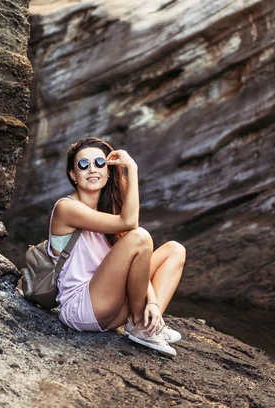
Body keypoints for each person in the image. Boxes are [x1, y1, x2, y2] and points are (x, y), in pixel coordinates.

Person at [48, 136, 186, 357]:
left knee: (175, 250)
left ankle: (144, 324)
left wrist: (153, 302)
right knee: (139, 237)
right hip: (81, 308)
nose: (92, 169)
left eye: (100, 163)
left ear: (108, 171)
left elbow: (137, 267)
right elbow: (130, 223)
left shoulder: (107, 213)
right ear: (73, 175)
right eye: (83, 165)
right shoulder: (66, 208)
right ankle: (142, 324)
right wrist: (132, 168)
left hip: (109, 307)